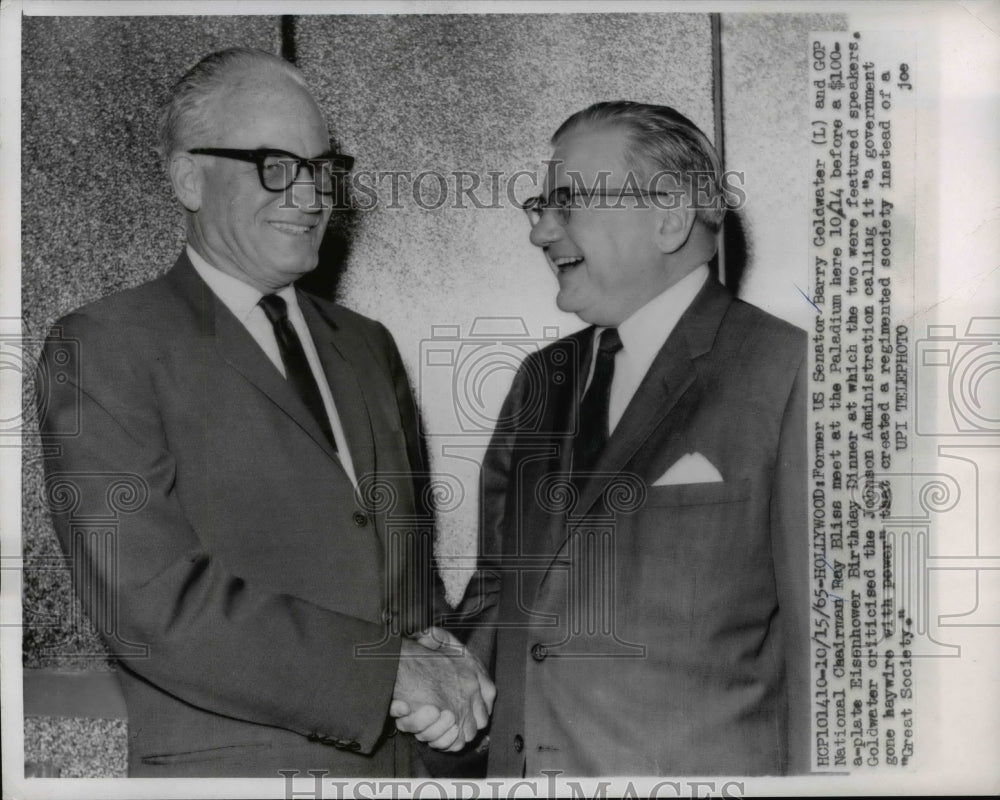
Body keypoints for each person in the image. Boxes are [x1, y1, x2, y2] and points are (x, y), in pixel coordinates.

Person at [36, 47, 492, 778]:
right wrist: (384, 674)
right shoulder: (105, 346)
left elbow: (407, 581)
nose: (310, 196)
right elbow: (150, 604)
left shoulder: (367, 346)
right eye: (275, 165)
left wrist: (446, 670)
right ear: (189, 176)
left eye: (322, 168)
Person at [451, 101, 809, 777]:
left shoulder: (791, 371)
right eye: (541, 204)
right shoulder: (540, 381)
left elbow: (834, 652)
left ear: (670, 216)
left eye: (568, 202)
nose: (540, 232)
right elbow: (501, 596)